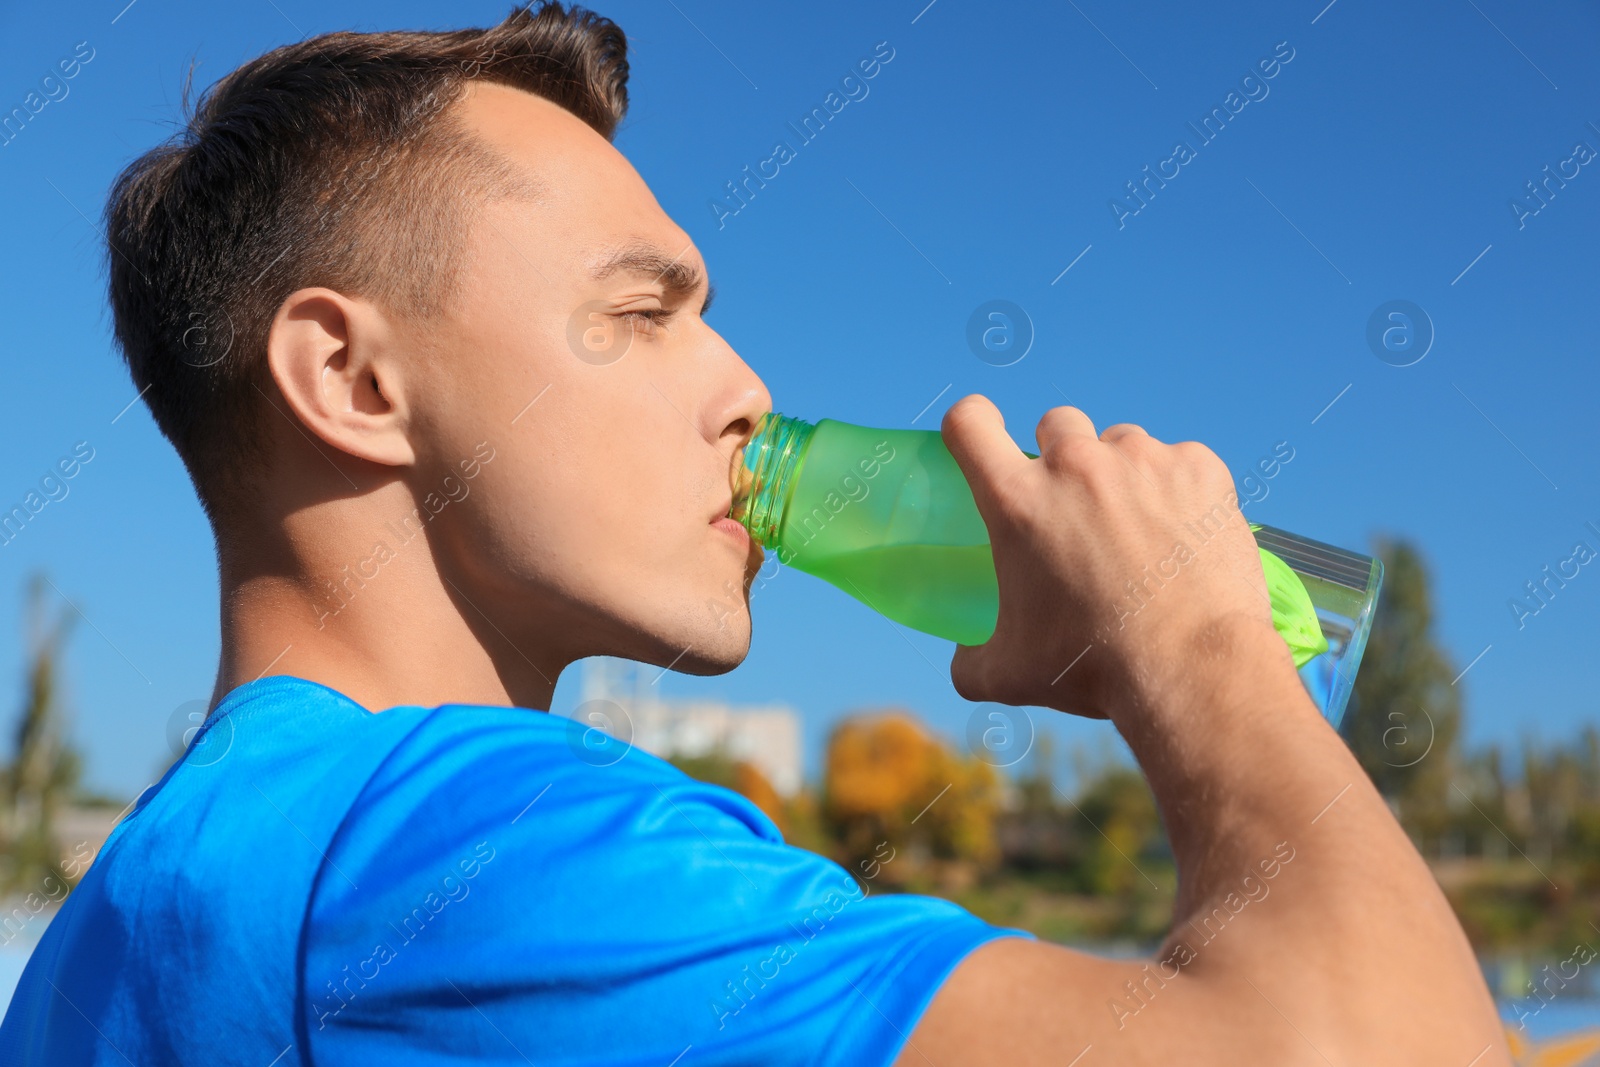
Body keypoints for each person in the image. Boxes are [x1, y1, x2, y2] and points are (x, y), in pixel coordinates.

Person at [0, 3, 1509, 1064]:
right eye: (641, 313)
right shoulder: (465, 844)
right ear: (354, 379)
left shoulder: (114, 935)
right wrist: (1197, 648)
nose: (745, 386)